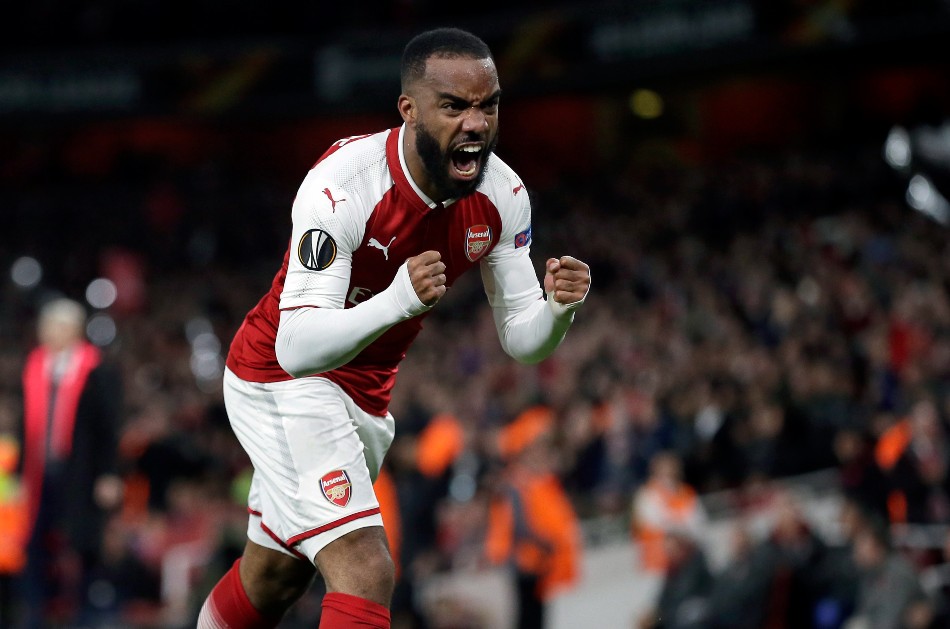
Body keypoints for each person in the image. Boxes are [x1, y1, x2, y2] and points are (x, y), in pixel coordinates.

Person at [197, 27, 591, 629]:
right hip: (280, 380)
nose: (476, 124)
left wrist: (558, 312)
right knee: (366, 569)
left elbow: (521, 338)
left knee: (274, 577)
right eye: (454, 106)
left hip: (365, 400)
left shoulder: (503, 194)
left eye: (488, 105)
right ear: (409, 109)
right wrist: (395, 301)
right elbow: (296, 346)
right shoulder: (342, 186)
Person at [16, 298, 123, 628]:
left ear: (71, 330)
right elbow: (25, 425)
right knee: (35, 541)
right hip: (41, 471)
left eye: (53, 326)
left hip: (81, 472)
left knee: (82, 542)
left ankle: (85, 614)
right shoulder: (35, 367)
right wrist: (21, 472)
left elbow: (109, 426)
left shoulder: (94, 369)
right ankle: (36, 612)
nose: (46, 332)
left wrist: (109, 473)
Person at [485, 406, 583, 629]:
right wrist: (547, 542)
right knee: (529, 616)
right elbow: (519, 526)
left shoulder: (535, 482)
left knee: (534, 615)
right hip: (525, 562)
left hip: (537, 562)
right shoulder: (517, 484)